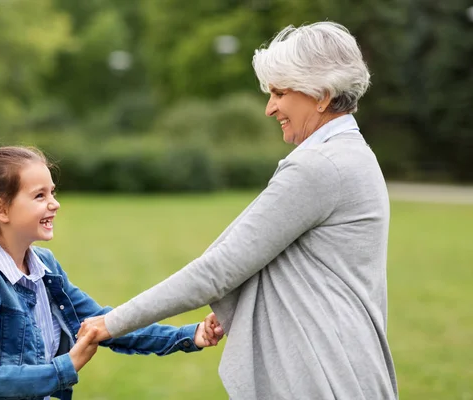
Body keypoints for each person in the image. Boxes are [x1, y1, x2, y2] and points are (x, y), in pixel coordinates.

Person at [85, 21, 398, 400]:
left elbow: (218, 269)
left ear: (322, 96)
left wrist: (112, 323)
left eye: (280, 92)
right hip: (349, 367)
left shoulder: (319, 166)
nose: (270, 108)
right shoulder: (355, 154)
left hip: (324, 373)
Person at [0, 146, 220, 400]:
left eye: (52, 192)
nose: (54, 203)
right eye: (39, 196)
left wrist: (188, 335)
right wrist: (68, 365)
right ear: (1, 210)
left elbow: (103, 323)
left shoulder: (46, 267)